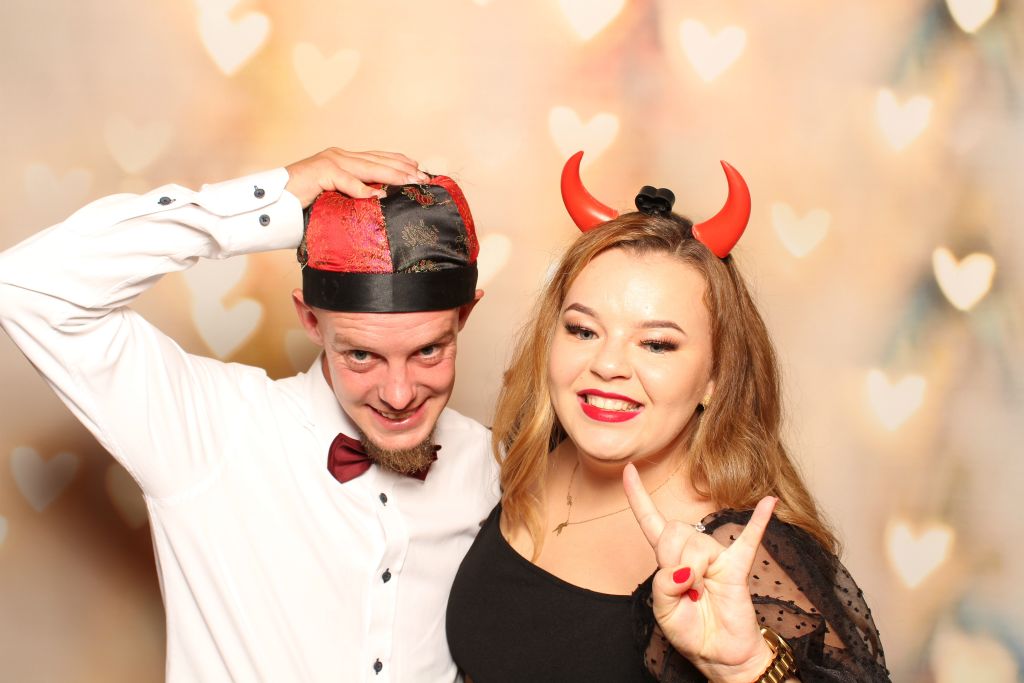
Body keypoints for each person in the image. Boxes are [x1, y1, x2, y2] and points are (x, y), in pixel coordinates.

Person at [0, 147, 500, 681]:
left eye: (428, 351)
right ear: (310, 321)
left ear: (465, 316)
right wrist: (278, 196)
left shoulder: (490, 463)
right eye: (361, 355)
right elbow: (25, 286)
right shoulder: (208, 429)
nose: (398, 395)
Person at [446, 152, 890, 682]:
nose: (607, 365)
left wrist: (747, 669)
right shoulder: (531, 455)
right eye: (583, 330)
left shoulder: (740, 551)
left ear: (716, 377)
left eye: (656, 343)